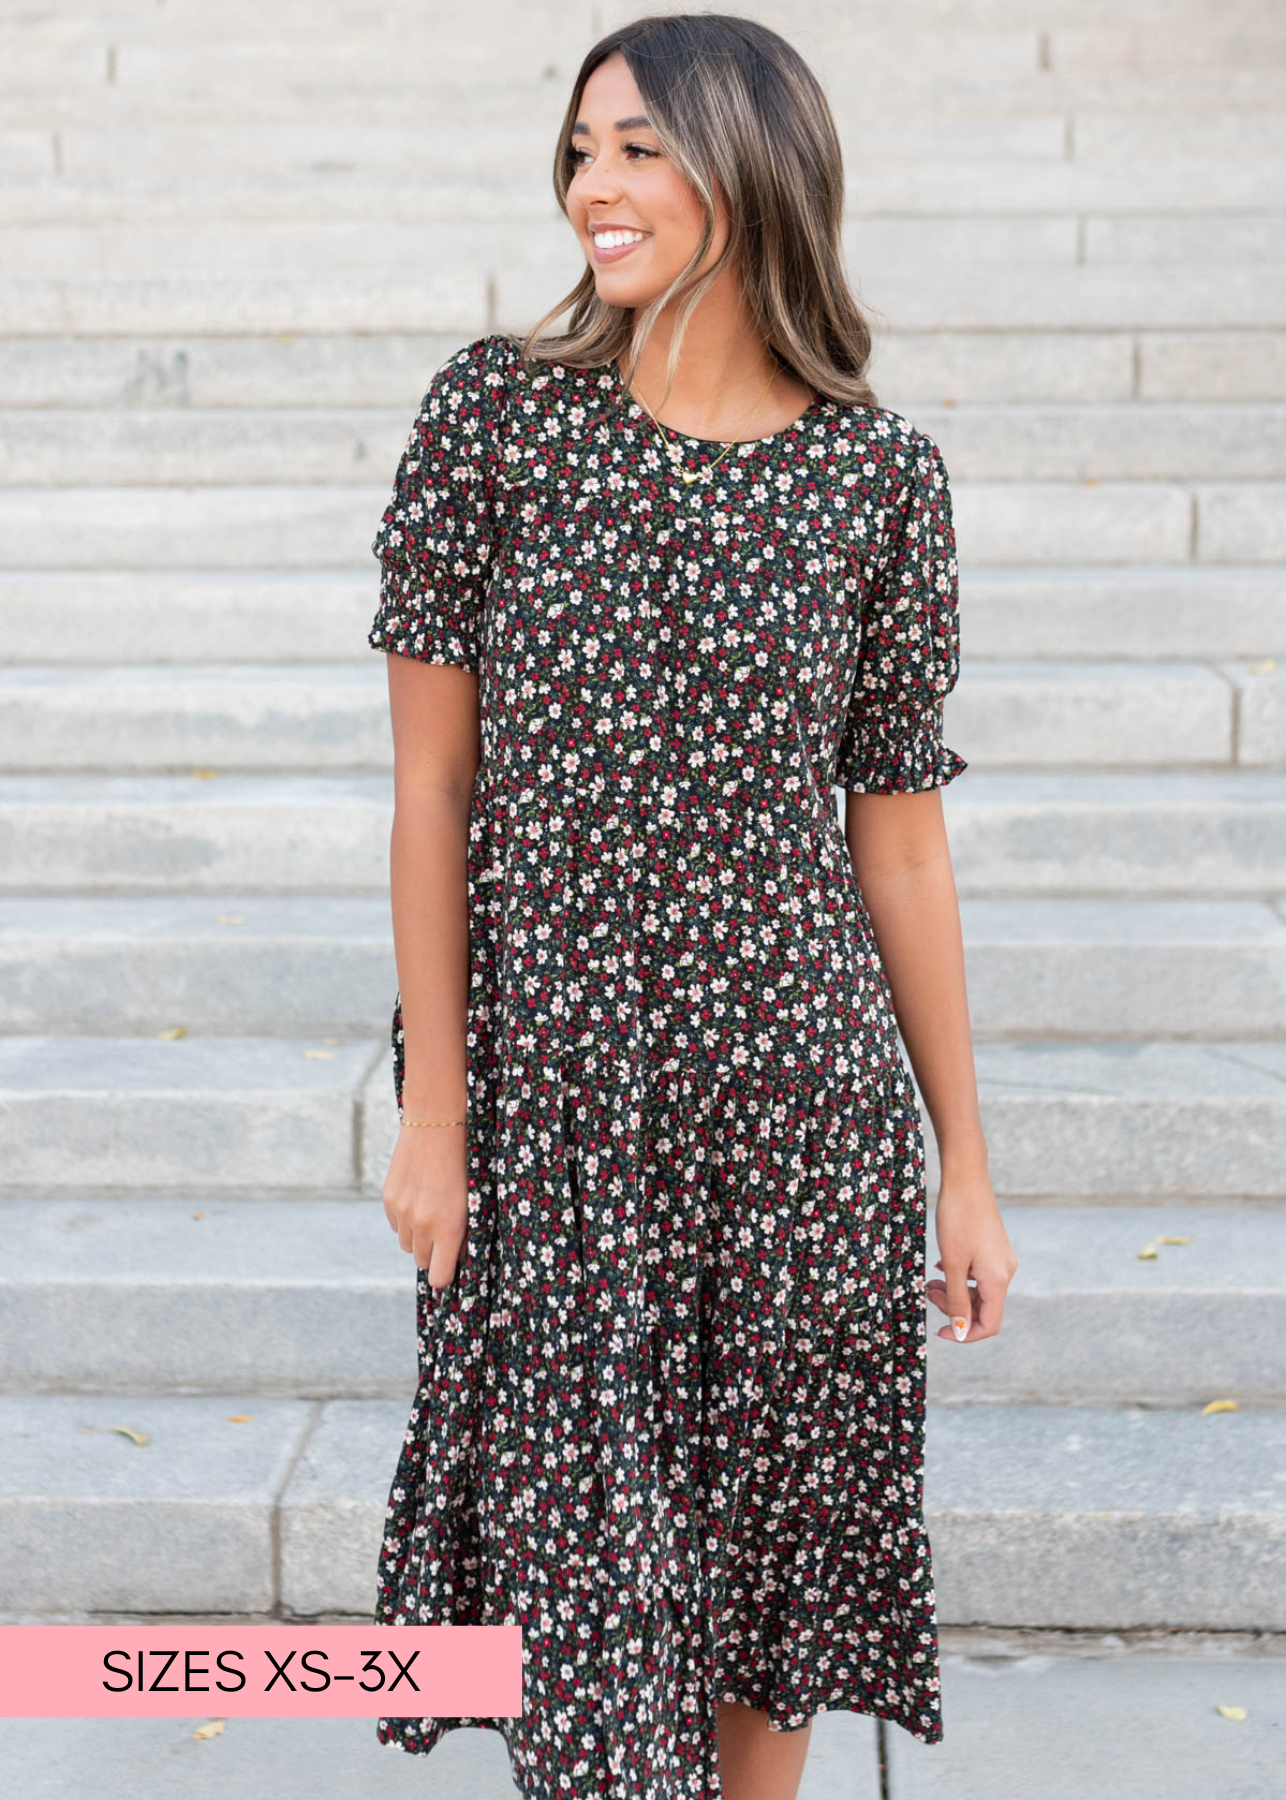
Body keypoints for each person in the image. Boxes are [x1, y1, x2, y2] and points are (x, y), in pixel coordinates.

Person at [367, 13, 1018, 1799]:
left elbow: (897, 837)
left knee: (770, 1601)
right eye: (582, 148)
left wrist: (961, 1159)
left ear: (753, 166)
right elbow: (432, 790)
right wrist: (436, 1110)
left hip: (796, 1115)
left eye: (642, 147)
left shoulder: (875, 481)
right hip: (560, 1116)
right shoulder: (496, 420)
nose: (597, 185)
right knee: (584, 1638)